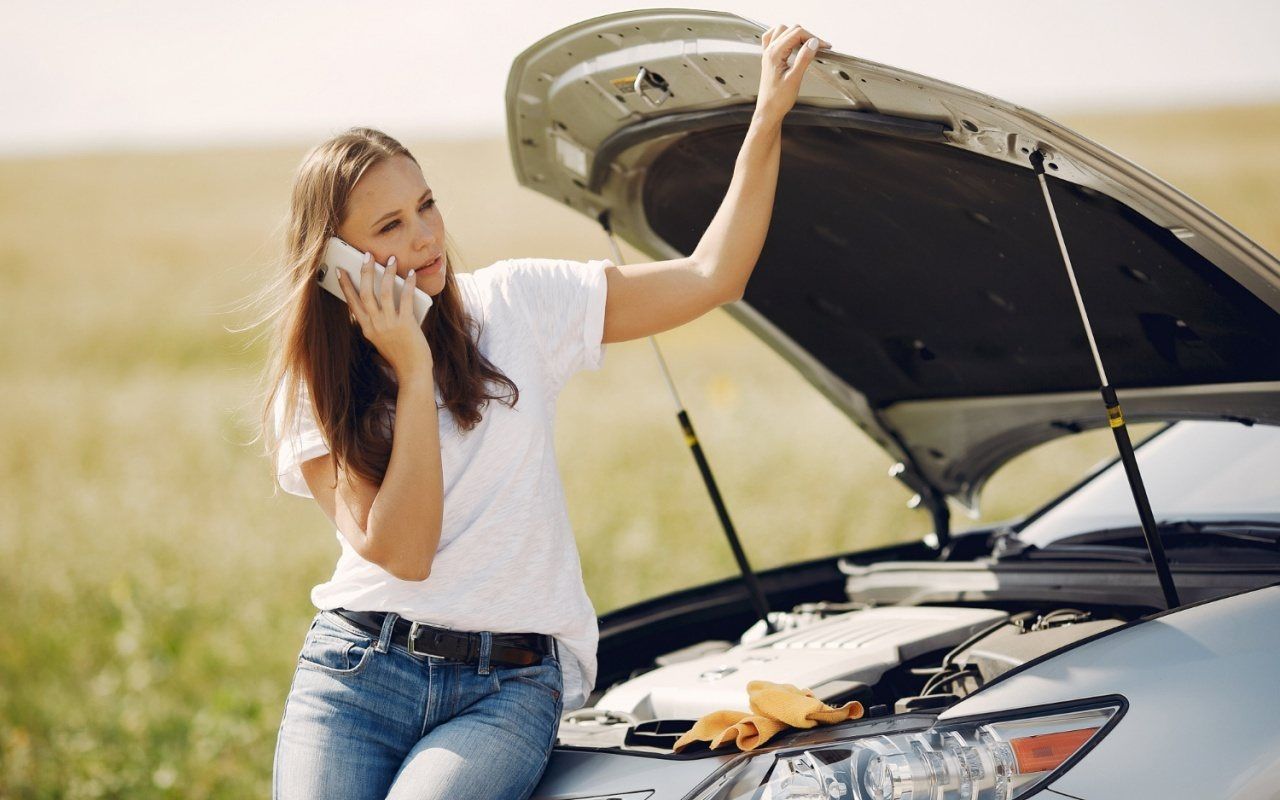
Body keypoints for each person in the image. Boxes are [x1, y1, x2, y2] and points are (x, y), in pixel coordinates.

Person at [261, 22, 830, 800]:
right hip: (358, 672)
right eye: (390, 226)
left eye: (426, 205)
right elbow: (405, 550)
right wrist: (413, 363)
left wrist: (766, 118)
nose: (427, 237)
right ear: (336, 262)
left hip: (508, 687)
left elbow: (710, 275)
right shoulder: (316, 381)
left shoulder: (517, 304)